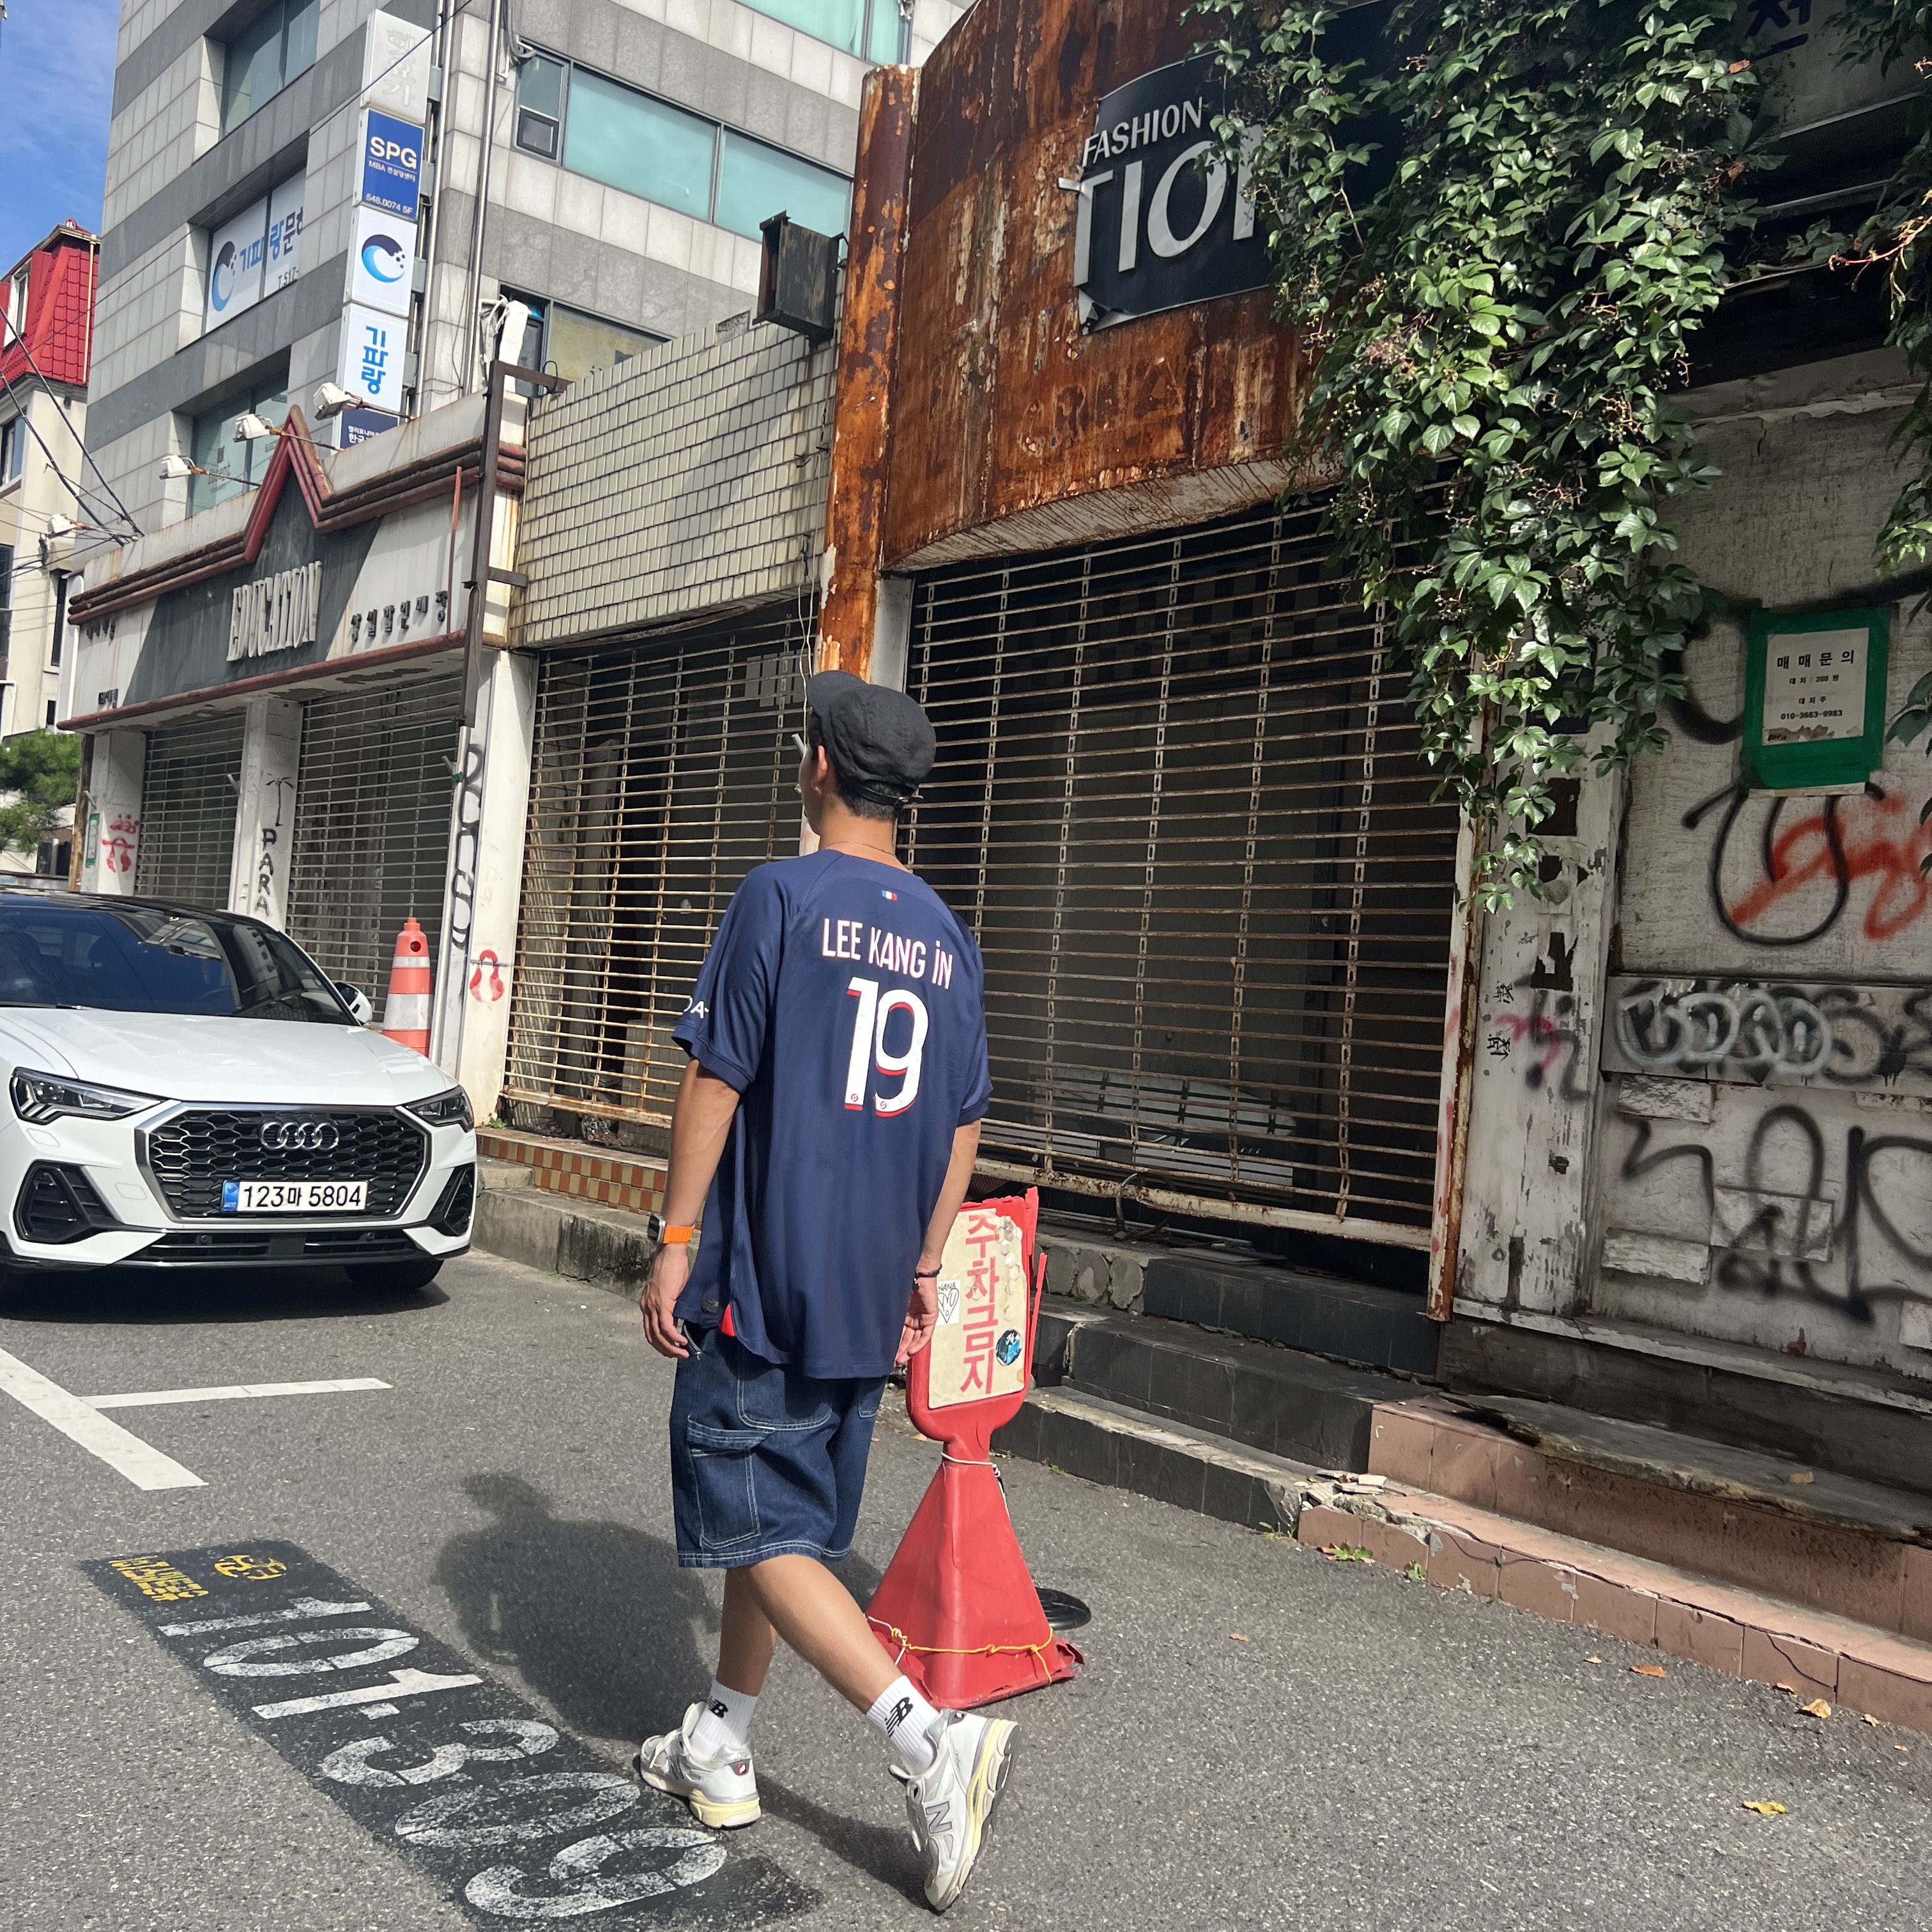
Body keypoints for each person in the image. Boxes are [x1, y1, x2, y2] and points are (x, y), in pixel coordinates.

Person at [635, 669, 1016, 1914]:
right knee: (783, 1515)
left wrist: (677, 1235)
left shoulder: (780, 896)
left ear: (818, 770)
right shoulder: (945, 937)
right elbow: (962, 1124)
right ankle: (722, 1739)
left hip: (764, 1275)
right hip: (867, 1292)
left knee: (756, 1518)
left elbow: (716, 1080)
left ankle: (924, 1738)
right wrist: (923, 1266)